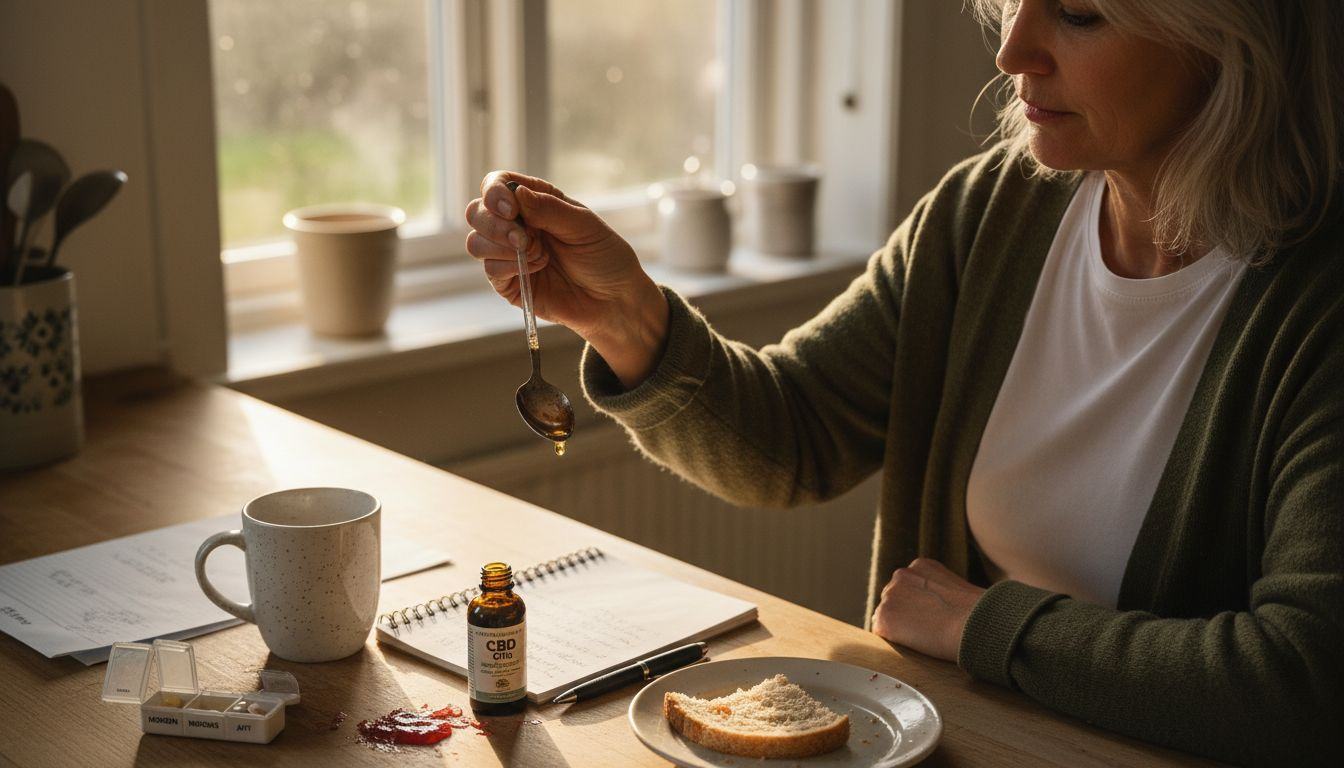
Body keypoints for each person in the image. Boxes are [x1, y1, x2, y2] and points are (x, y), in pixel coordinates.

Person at [465, 1, 1343, 764]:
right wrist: (623, 316)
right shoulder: (989, 212)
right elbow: (793, 439)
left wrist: (981, 626)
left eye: (1079, 13)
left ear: (1230, 40)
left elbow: (1304, 686)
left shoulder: (1318, 306)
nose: (1012, 52)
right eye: (1015, 1)